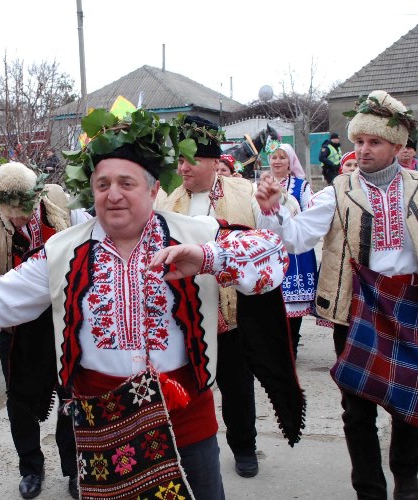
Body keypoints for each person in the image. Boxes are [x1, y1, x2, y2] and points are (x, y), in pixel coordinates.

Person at [0, 108, 291, 500]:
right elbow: (3, 294)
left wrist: (207, 258)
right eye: (102, 184)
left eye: (127, 183)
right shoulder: (65, 250)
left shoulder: (193, 233)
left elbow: (272, 255)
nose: (113, 195)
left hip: (184, 422)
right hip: (102, 425)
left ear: (153, 190)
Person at [256, 90, 418, 500]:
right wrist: (275, 210)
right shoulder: (337, 190)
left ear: (397, 146)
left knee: (414, 403)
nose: (363, 150)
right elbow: (295, 239)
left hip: (411, 304)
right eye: (359, 141)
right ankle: (369, 490)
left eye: (374, 142)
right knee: (357, 408)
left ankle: (407, 479)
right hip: (357, 306)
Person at [154, 115, 294, 479]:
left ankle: (244, 446)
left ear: (215, 160)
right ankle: (188, 448)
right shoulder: (167, 201)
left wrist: (273, 207)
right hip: (185, 314)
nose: (183, 167)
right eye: (180, 159)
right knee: (186, 387)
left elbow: (276, 233)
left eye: (192, 159)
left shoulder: (242, 192)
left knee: (236, 386)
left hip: (230, 312)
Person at [0, 161, 90, 499]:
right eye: (13, 214)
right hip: (17, 324)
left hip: (63, 318)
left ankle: (75, 468)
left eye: (25, 211)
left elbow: (83, 246)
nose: (20, 218)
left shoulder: (58, 201)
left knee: (71, 393)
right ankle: (31, 467)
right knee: (20, 399)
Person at [266, 142, 318, 357]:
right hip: (269, 250)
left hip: (296, 252)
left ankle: (292, 345)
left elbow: (311, 212)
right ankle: (276, 346)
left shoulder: (301, 186)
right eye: (274, 157)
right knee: (272, 303)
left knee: (293, 302)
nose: (277, 161)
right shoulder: (262, 184)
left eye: (282, 157)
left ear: (290, 162)